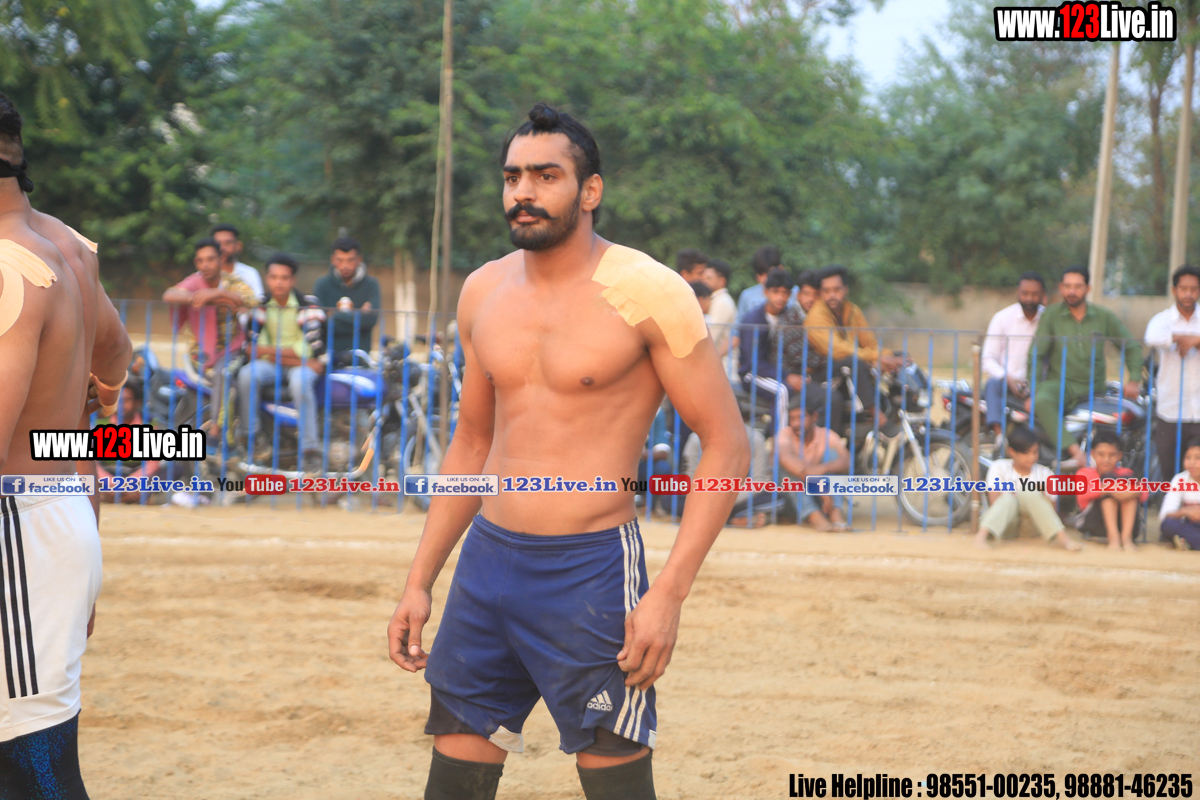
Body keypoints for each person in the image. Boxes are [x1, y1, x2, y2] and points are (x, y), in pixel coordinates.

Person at [386, 102, 747, 800]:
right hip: (486, 567)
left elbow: (727, 445)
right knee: (452, 785)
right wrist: (419, 580)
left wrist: (668, 593)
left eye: (545, 176)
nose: (523, 192)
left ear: (589, 190)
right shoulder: (483, 290)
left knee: (615, 786)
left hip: (590, 573)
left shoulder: (648, 291)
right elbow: (472, 442)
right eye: (512, 176)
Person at [0, 91, 133, 797]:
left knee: (32, 771)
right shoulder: (68, 247)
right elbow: (114, 356)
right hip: (52, 513)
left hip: (19, 525)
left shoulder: (9, 265)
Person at [1028, 266, 1142, 464]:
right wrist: (1033, 390)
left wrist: (1134, 379)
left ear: (1088, 288)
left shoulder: (1103, 315)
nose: (1072, 291)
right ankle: (1076, 454)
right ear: (1061, 288)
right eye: (1067, 286)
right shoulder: (1051, 315)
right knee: (1041, 401)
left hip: (1093, 387)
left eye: (1077, 286)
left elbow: (1131, 346)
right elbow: (1036, 354)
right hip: (1060, 384)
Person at [237, 254, 326, 473]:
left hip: (299, 368)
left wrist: (268, 352)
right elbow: (252, 350)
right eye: (274, 277)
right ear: (267, 279)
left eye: (284, 278)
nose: (278, 282)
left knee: (300, 384)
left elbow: (310, 352)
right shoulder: (260, 306)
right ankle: (252, 436)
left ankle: (309, 450)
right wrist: (291, 356)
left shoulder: (309, 305)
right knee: (247, 375)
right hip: (283, 364)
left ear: (293, 280)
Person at [162, 237, 259, 431]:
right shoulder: (194, 282)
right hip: (200, 354)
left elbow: (251, 299)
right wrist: (199, 297)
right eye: (200, 260)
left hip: (231, 349)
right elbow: (169, 295)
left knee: (224, 373)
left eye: (210, 259)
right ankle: (214, 429)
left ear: (221, 259)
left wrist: (216, 294)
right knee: (219, 375)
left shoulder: (231, 281)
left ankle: (221, 426)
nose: (205, 265)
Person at [804, 265, 904, 420]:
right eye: (826, 291)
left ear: (846, 290)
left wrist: (885, 356)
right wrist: (877, 357)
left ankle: (902, 409)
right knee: (852, 361)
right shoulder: (815, 316)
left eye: (836, 290)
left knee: (901, 356)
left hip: (848, 366)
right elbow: (838, 350)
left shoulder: (852, 310)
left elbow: (870, 343)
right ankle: (878, 418)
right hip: (822, 372)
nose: (831, 295)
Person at [972, 424, 1080, 550]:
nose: (1032, 457)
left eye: (1035, 452)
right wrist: (1017, 497)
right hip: (1006, 524)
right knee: (1009, 499)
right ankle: (981, 537)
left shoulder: (1045, 473)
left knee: (1028, 491)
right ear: (1012, 452)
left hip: (1033, 526)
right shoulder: (999, 467)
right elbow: (995, 502)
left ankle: (1064, 539)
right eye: (1026, 453)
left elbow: (1052, 510)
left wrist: (1034, 495)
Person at [1144, 264, 1200, 478]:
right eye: (1183, 288)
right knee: (1170, 473)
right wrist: (1182, 337)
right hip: (1170, 409)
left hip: (1199, 410)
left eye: (1193, 289)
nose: (1188, 294)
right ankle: (1170, 502)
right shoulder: (1163, 319)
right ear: (1174, 290)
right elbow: (1151, 337)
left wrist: (1197, 340)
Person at [981, 271, 1045, 441]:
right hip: (1006, 382)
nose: (1029, 298)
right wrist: (1008, 378)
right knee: (992, 384)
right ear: (1018, 292)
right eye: (1025, 293)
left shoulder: (1048, 320)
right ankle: (999, 436)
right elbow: (988, 358)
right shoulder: (1002, 318)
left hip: (1038, 383)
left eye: (1034, 294)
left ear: (1042, 294)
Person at [776, 393, 850, 531]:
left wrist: (823, 469)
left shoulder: (825, 434)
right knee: (787, 468)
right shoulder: (784, 435)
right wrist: (819, 485)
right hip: (791, 501)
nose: (796, 423)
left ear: (814, 417)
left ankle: (835, 513)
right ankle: (814, 516)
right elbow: (786, 459)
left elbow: (846, 460)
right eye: (792, 418)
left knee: (832, 455)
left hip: (823, 499)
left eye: (801, 417)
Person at [1072, 429, 1147, 550]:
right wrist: (1109, 489)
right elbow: (1082, 495)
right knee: (1109, 479)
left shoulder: (1126, 473)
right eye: (1101, 454)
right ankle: (1113, 538)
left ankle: (1126, 538)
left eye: (1112, 455)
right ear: (1092, 454)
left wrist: (1133, 491)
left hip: (1123, 523)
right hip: (1094, 522)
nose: (1106, 459)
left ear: (1119, 455)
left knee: (1127, 482)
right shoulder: (1084, 473)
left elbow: (1144, 495)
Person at [313, 236, 382, 363]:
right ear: (333, 260)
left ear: (359, 260)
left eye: (350, 260)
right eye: (340, 260)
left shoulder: (371, 285)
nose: (345, 265)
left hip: (360, 357)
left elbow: (370, 320)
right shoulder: (322, 285)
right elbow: (321, 323)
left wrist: (334, 314)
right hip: (328, 358)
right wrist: (359, 315)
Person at [96, 383, 164, 504]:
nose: (121, 405)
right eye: (117, 400)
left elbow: (153, 462)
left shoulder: (149, 423)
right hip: (108, 474)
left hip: (137, 474)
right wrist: (108, 481)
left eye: (126, 400)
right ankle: (134, 498)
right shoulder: (99, 422)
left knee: (172, 469)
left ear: (137, 403)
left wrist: (130, 482)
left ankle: (112, 497)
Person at [1157, 437, 1200, 551]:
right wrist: (1185, 511)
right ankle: (1192, 541)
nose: (1192, 462)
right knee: (1168, 524)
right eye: (1188, 457)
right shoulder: (1180, 479)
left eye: (1198, 458)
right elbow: (1164, 515)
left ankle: (1189, 542)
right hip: (1190, 527)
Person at [736, 245, 799, 320]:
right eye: (760, 274)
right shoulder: (747, 296)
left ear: (780, 268)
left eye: (768, 273)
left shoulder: (796, 293)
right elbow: (739, 325)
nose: (764, 278)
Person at [211, 223, 264, 298]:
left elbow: (258, 302)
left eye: (228, 243)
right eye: (218, 244)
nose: (222, 248)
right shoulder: (202, 276)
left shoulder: (250, 274)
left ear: (238, 246)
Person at [701, 258, 737, 357]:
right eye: (703, 278)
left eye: (708, 278)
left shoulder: (722, 302)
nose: (704, 282)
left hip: (723, 363)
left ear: (721, 281)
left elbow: (711, 336)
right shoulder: (715, 300)